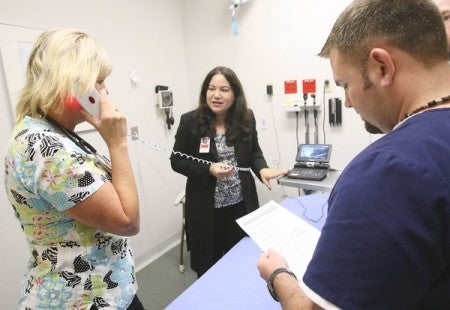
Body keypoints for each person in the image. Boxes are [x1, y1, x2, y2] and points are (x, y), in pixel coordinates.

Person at [257, 0, 450, 309]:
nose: (346, 102)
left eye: (345, 85)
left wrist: (278, 275)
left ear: (382, 68)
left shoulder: (387, 172)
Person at [4, 29, 144, 309]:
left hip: (102, 289)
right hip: (83, 298)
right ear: (74, 86)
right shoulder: (45, 147)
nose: (106, 92)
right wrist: (117, 144)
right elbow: (128, 221)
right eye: (100, 82)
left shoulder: (50, 133)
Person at [170, 66, 288, 277]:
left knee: (243, 263)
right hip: (206, 210)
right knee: (209, 267)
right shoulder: (190, 121)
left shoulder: (246, 118)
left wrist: (262, 169)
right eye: (211, 88)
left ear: (235, 94)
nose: (216, 95)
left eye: (224, 89)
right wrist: (209, 169)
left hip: (240, 207)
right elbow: (177, 161)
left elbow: (254, 152)